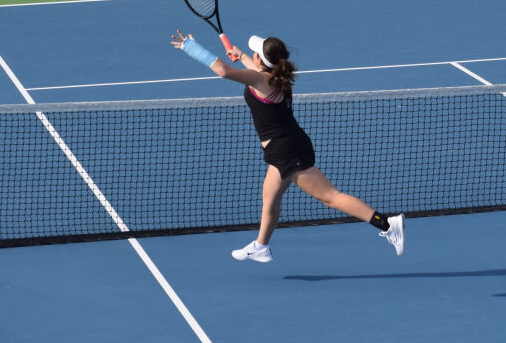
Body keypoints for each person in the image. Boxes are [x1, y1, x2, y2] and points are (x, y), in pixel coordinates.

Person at [171, 30, 405, 262]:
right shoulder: (274, 77)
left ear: (259, 61)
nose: (252, 55)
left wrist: (190, 48)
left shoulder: (260, 79)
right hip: (285, 146)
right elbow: (255, 69)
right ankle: (261, 246)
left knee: (331, 197)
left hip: (287, 151)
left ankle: (386, 224)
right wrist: (241, 54)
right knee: (270, 197)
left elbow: (223, 71)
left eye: (255, 53)